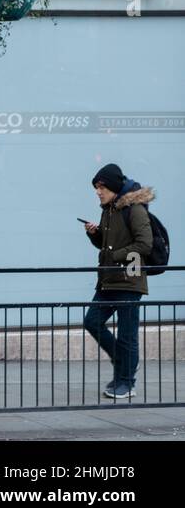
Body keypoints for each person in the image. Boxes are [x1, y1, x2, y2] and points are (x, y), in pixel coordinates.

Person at [83, 163, 154, 400]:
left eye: (101, 187)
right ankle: (123, 363)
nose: (98, 191)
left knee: (127, 334)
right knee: (92, 321)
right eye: (96, 188)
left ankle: (127, 382)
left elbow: (145, 244)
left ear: (113, 187)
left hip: (129, 280)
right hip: (108, 279)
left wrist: (116, 256)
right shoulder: (109, 210)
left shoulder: (134, 209)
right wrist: (95, 235)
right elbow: (107, 242)